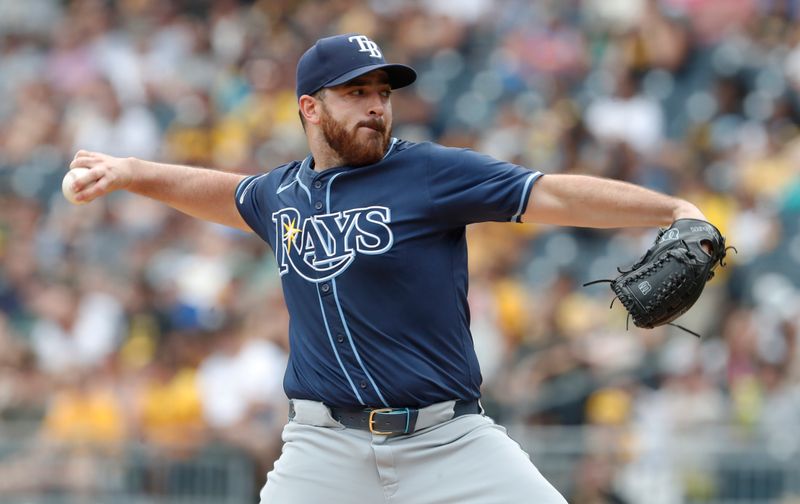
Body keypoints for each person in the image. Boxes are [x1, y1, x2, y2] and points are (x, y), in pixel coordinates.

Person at [68, 33, 712, 504]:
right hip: (324, 449)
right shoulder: (280, 195)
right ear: (309, 108)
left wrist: (670, 208)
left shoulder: (428, 172)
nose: (376, 105)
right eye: (356, 92)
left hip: (449, 441)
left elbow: (554, 193)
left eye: (381, 92)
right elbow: (219, 192)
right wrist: (130, 172)